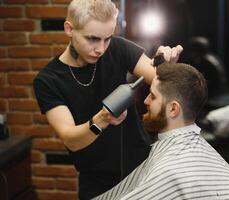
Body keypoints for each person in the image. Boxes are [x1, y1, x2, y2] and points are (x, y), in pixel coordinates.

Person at [33, 0, 183, 199]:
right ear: (69, 29)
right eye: (92, 39)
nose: (101, 49)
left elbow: (157, 76)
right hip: (97, 183)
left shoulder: (118, 49)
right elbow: (70, 139)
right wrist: (102, 119)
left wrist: (166, 66)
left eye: (107, 39)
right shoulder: (48, 81)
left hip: (142, 169)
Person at [93, 63, 229, 200]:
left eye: (152, 96)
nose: (146, 101)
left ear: (173, 109)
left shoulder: (169, 172)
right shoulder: (224, 169)